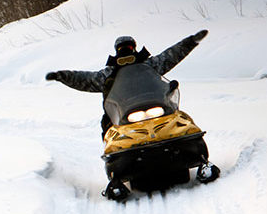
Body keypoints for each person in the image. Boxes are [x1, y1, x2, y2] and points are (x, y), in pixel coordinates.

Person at [46, 30, 209, 138]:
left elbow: (171, 55)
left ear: (134, 48)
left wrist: (191, 41)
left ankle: (196, 149)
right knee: (108, 129)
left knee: (182, 119)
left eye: (129, 47)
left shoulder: (150, 65)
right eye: (123, 48)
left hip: (156, 106)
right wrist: (62, 76)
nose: (126, 51)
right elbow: (84, 79)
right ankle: (115, 166)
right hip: (124, 115)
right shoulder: (109, 73)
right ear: (117, 51)